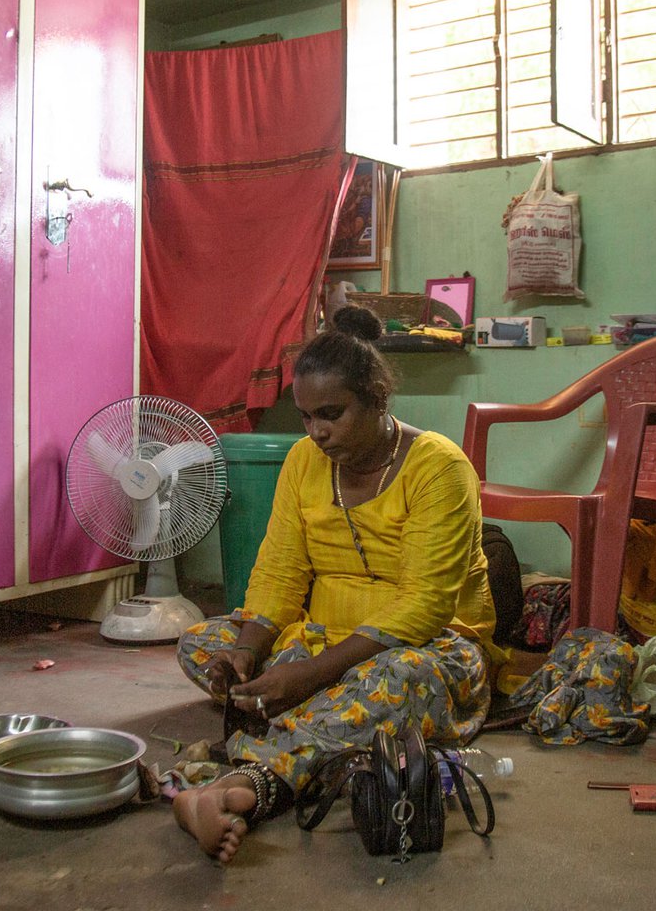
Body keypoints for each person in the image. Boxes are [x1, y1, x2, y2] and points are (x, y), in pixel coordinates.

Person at [172, 305, 498, 862]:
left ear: (377, 399)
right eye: (305, 416)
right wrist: (249, 653)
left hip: (431, 645)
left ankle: (242, 786)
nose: (317, 432)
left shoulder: (438, 468)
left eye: (332, 413)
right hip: (323, 636)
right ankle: (321, 717)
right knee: (202, 643)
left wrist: (308, 675)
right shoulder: (304, 462)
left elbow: (423, 606)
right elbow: (279, 570)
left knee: (398, 678)